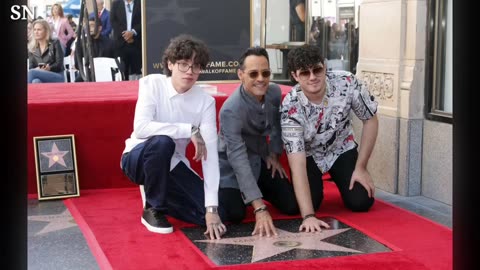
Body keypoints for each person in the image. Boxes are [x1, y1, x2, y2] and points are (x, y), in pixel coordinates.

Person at [120, 34, 226, 239]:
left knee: (218, 213)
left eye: (196, 66)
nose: (190, 72)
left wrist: (211, 210)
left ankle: (158, 191)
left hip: (173, 164)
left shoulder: (205, 102)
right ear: (170, 64)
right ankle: (153, 208)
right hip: (138, 157)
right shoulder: (152, 84)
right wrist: (189, 129)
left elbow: (210, 155)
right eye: (183, 64)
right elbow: (141, 128)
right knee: (163, 142)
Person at [280, 44, 378, 233]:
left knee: (362, 201)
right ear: (294, 76)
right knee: (305, 205)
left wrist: (361, 167)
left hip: (342, 148)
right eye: (304, 73)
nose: (312, 77)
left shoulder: (348, 82)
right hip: (309, 156)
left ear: (324, 67)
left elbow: (371, 120)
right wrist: (308, 216)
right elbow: (297, 163)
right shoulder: (290, 106)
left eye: (317, 70)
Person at [218, 47, 299, 237]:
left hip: (261, 160)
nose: (260, 79)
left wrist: (273, 154)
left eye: (265, 73)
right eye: (253, 73)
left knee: (291, 205)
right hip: (232, 167)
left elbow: (277, 126)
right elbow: (237, 158)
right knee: (236, 214)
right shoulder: (231, 109)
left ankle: (256, 189)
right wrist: (259, 207)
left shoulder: (274, 92)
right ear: (241, 74)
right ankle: (244, 193)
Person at [73, 18, 115, 82]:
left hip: (106, 74)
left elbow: (116, 61)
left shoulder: (110, 43)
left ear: (100, 28)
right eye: (87, 26)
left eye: (92, 25)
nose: (89, 28)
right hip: (87, 74)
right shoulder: (80, 43)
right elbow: (77, 64)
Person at [110, 0, 142, 80]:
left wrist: (133, 32)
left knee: (137, 71)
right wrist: (126, 35)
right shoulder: (116, 4)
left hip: (136, 43)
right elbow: (113, 21)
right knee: (123, 71)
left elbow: (144, 21)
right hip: (121, 44)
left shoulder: (141, 3)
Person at [27, 19, 64, 83]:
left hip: (57, 75)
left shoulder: (55, 43)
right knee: (36, 81)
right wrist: (38, 69)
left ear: (46, 31)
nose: (36, 32)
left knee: (32, 73)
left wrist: (49, 68)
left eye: (39, 30)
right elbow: (31, 67)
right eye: (35, 30)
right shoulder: (32, 47)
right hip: (39, 74)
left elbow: (59, 64)